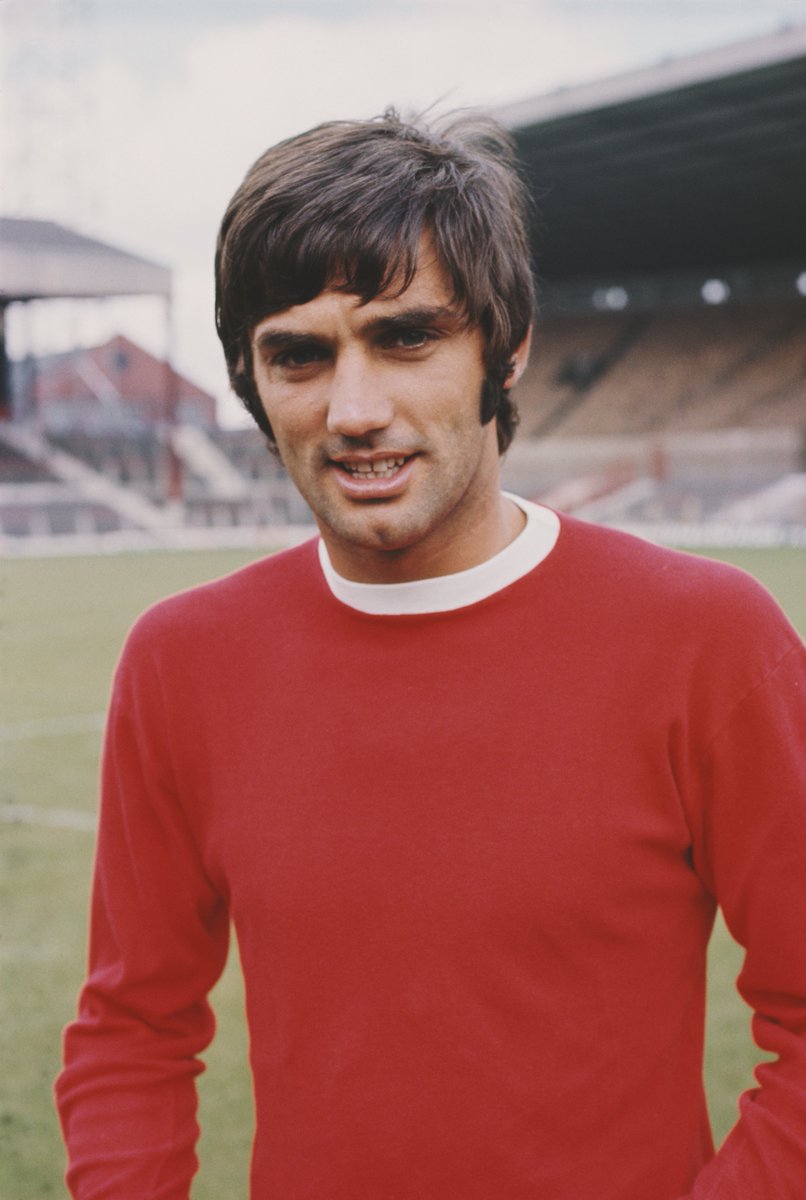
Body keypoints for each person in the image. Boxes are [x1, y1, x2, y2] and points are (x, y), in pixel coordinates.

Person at [56, 108, 806, 1199]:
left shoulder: (707, 638)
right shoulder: (181, 662)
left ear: (505, 347)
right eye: (299, 355)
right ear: (249, 380)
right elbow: (130, 1031)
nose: (353, 409)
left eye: (405, 337)